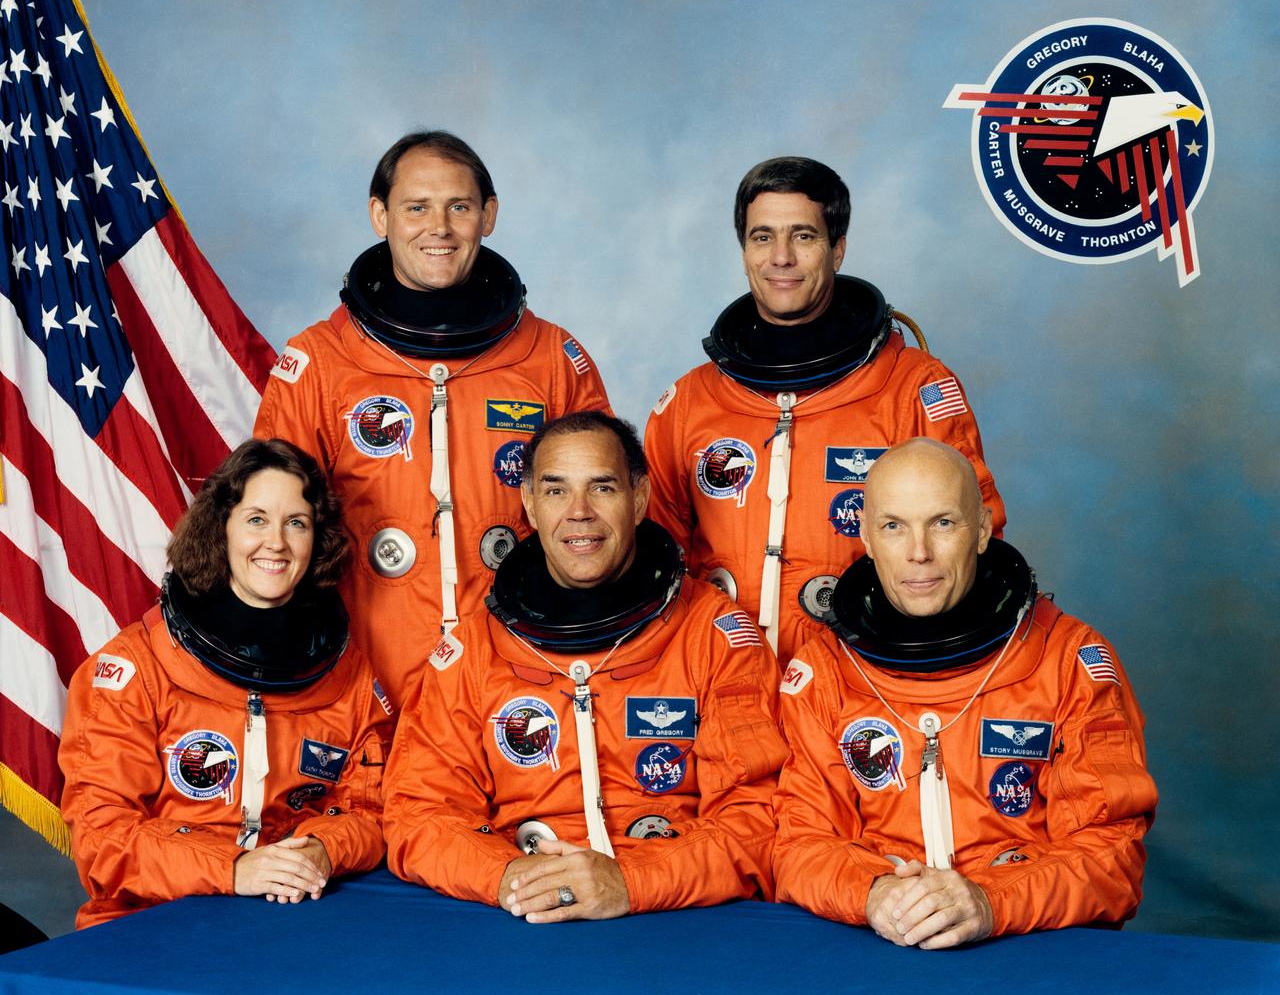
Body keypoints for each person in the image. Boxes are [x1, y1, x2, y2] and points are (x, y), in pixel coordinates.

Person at [256, 131, 611, 709]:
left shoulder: (550, 358)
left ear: (488, 216)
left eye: (460, 207)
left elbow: (607, 522)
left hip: (518, 673)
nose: (438, 227)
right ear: (380, 216)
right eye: (416, 207)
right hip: (366, 674)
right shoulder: (319, 361)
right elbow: (270, 527)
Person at [384, 412, 785, 920]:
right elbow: (418, 811)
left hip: (675, 918)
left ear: (638, 499)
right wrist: (509, 876)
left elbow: (756, 816)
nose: (579, 513)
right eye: (555, 491)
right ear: (528, 503)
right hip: (523, 915)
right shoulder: (474, 647)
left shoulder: (715, 635)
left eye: (602, 487)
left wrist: (631, 880)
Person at [773, 438, 1156, 948]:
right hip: (880, 949)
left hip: (1024, 948)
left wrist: (989, 900)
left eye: (943, 523)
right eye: (894, 526)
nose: (919, 553)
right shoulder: (822, 672)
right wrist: (874, 892)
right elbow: (799, 844)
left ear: (981, 531)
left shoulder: (1069, 661)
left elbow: (1113, 857)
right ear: (865, 536)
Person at [644, 157, 1004, 666]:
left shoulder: (913, 388)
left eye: (804, 237)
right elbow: (652, 559)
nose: (781, 257)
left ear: (837, 250)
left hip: (860, 688)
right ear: (744, 250)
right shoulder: (689, 403)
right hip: (721, 684)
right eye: (762, 237)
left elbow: (970, 541)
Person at [59, 439, 388, 928]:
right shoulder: (135, 669)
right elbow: (102, 837)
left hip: (288, 913)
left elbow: (372, 808)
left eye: (295, 522)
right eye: (256, 519)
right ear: (222, 528)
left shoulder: (347, 672)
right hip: (149, 921)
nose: (276, 542)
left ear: (317, 539)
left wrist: (323, 848)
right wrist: (232, 867)